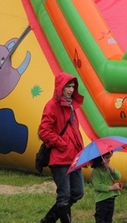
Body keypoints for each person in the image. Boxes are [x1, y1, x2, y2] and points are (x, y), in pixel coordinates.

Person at [38, 72, 85, 223]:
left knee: (78, 192)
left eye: (72, 87)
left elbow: (74, 131)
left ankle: (48, 220)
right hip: (59, 158)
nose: (71, 90)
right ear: (60, 87)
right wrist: (61, 143)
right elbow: (44, 131)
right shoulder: (52, 106)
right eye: (67, 86)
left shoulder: (71, 105)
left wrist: (80, 150)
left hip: (74, 157)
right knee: (64, 194)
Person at [90, 151, 123, 223]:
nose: (109, 159)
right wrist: (112, 188)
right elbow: (97, 186)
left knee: (109, 218)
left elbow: (118, 176)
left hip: (111, 198)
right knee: (100, 218)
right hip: (102, 199)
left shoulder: (108, 169)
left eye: (109, 157)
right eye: (107, 157)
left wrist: (111, 168)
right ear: (100, 159)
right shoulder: (96, 171)